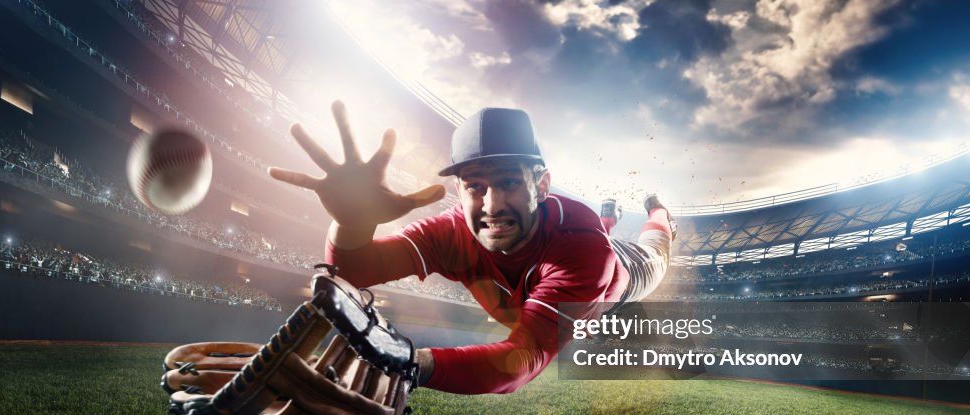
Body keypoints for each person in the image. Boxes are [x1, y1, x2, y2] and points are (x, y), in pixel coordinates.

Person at [269, 102, 674, 395]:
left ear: (542, 185)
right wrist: (351, 223)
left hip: (624, 271)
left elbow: (522, 358)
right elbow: (351, 273)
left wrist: (412, 364)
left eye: (509, 183)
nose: (492, 205)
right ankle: (609, 217)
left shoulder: (583, 249)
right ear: (460, 189)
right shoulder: (452, 229)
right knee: (599, 231)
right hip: (581, 248)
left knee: (656, 249)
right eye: (476, 186)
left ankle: (658, 212)